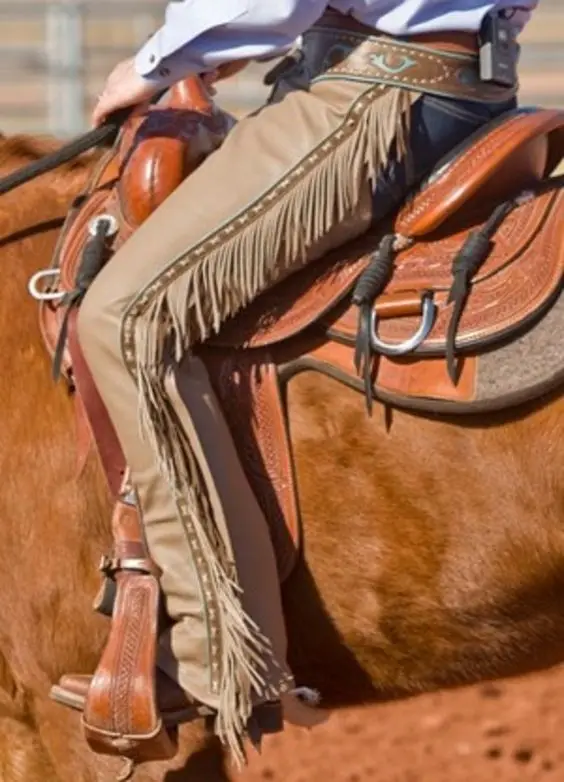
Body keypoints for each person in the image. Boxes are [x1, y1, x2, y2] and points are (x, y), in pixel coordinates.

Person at [56, 0, 536, 764]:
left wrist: (160, 60)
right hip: (466, 81)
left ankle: (218, 658)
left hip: (376, 93)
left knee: (124, 317)